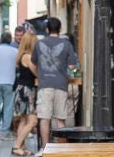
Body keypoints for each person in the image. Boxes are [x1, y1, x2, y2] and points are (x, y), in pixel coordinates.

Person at [31, 15, 81, 148]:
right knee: (60, 119)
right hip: (61, 85)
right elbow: (72, 67)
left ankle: (44, 148)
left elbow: (34, 64)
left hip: (44, 85)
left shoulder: (39, 44)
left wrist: (40, 75)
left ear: (47, 29)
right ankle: (61, 149)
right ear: (60, 29)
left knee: (44, 118)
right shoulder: (66, 44)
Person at [10, 25, 41, 157]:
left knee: (23, 121)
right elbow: (37, 73)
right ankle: (16, 146)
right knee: (33, 121)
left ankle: (21, 147)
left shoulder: (22, 55)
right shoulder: (28, 57)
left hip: (22, 90)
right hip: (27, 92)